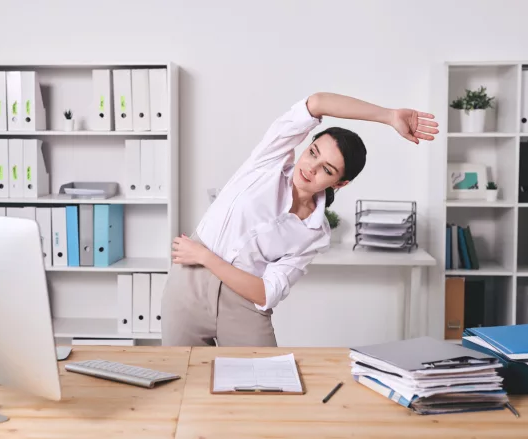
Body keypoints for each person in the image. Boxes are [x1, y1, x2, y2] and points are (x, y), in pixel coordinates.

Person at [161, 92, 439, 347]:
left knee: (265, 390)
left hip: (241, 299)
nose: (310, 168)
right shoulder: (269, 160)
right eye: (313, 153)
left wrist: (206, 256)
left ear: (339, 184)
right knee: (184, 391)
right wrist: (388, 116)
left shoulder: (316, 233)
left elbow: (266, 294)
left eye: (326, 169)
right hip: (189, 285)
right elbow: (317, 102)